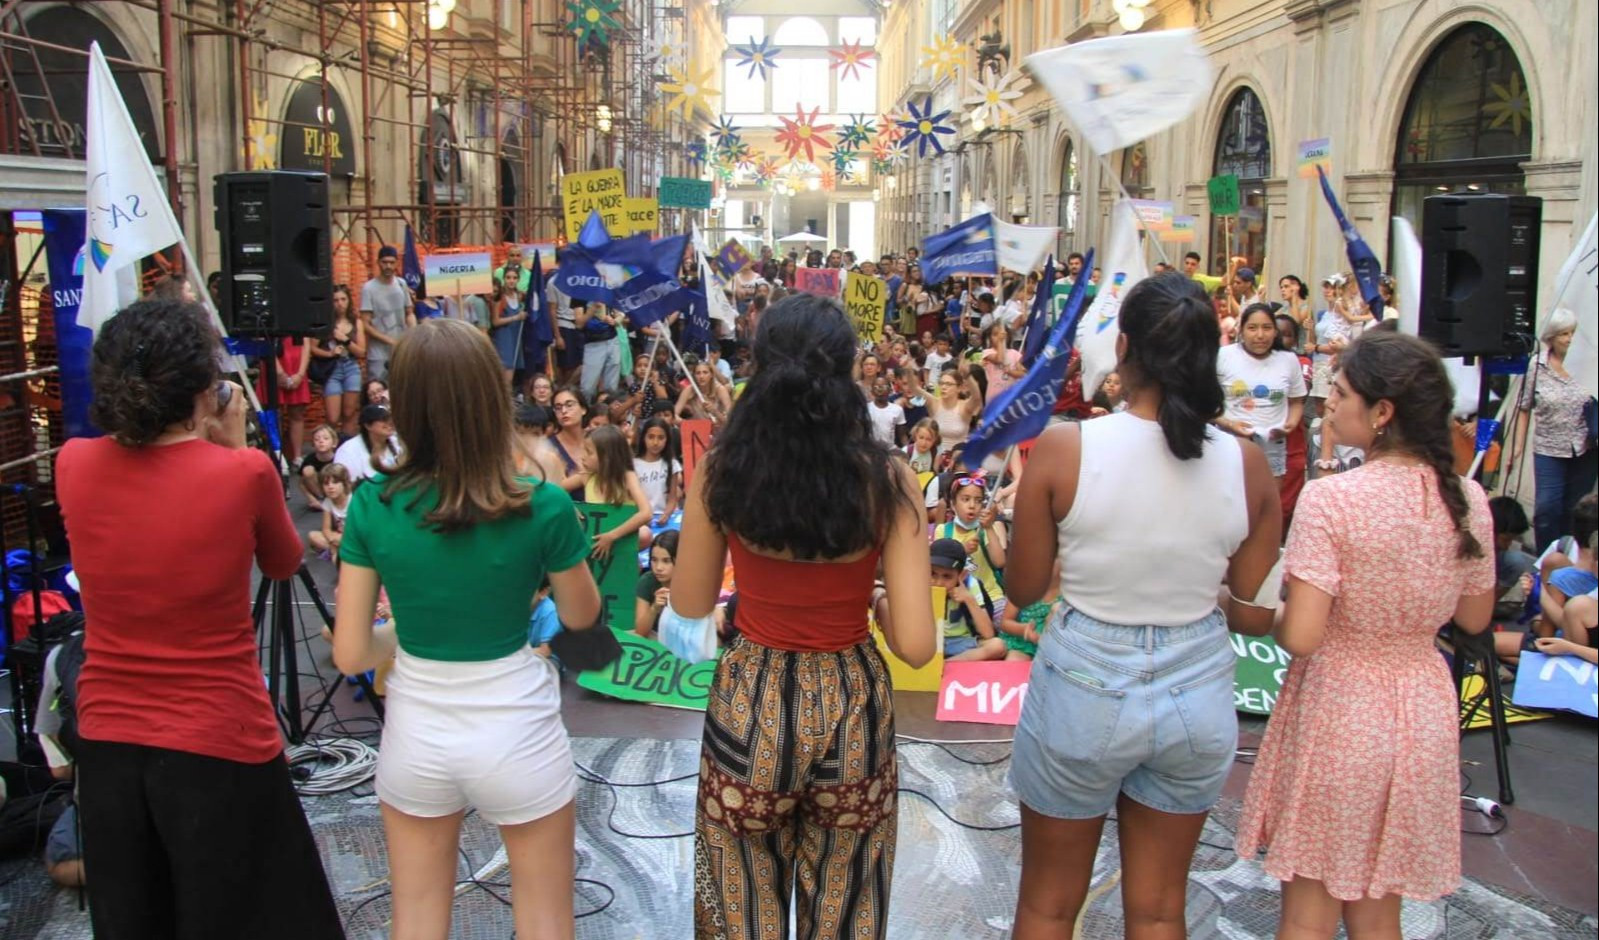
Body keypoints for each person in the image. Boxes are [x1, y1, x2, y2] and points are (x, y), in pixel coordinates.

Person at [1005, 273, 1282, 940]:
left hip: (1083, 681)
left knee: (1047, 904)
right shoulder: (1246, 464)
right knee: (1159, 908)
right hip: (1198, 690)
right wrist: (1198, 586)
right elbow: (1253, 618)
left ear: (1122, 347)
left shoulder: (1066, 448)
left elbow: (1021, 590)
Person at [55, 298, 344, 937]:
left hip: (109, 742)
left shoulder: (71, 465)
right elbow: (282, 561)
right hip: (218, 737)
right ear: (202, 389)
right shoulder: (239, 473)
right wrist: (235, 443)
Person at [673, 293, 934, 940]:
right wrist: (871, 599)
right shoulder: (890, 480)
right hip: (853, 704)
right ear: (846, 372)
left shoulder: (721, 470)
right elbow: (916, 645)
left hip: (750, 700)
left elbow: (687, 605)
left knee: (739, 904)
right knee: (846, 902)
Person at [331, 318, 602, 940]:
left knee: (419, 922)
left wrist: (403, 630)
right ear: (490, 395)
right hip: (518, 730)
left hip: (416, 732)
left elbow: (351, 653)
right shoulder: (543, 503)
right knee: (545, 921)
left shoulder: (373, 503)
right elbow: (584, 619)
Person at [1236, 330, 1496, 938]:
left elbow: (1300, 635)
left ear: (1382, 413)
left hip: (1342, 706)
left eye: (1343, 394)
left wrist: (1250, 614)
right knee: (1381, 907)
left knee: (1309, 908)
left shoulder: (1333, 500)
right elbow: (1476, 619)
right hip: (1423, 706)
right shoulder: (1469, 498)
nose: (1330, 405)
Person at [1519, 308, 1597, 551]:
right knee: (1546, 509)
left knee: (1576, 510)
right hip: (1548, 448)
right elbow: (1524, 406)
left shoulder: (1589, 363)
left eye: (1573, 332)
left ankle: (1568, 560)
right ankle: (1545, 558)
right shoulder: (1537, 365)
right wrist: (1518, 447)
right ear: (1551, 337)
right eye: (1564, 333)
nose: (1570, 338)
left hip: (1585, 448)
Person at [1216, 303, 1307, 484]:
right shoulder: (1223, 356)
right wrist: (1229, 424)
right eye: (1252, 328)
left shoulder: (1288, 360)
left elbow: (1297, 401)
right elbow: (1205, 404)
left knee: (1268, 504)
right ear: (1241, 330)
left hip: (1273, 445)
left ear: (1275, 331)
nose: (1260, 335)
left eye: (1267, 328)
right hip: (1230, 444)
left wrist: (1290, 424)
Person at [580, 425, 655, 555]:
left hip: (620, 538)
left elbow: (646, 513)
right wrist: (571, 508)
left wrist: (612, 536)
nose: (583, 457)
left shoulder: (627, 477)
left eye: (589, 452)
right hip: (593, 540)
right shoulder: (587, 477)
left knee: (644, 533)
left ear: (607, 457)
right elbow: (556, 489)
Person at [930, 537, 1007, 662]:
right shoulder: (921, 584)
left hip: (961, 642)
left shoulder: (971, 584)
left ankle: (946, 664)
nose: (938, 582)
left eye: (947, 576)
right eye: (933, 574)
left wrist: (968, 599)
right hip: (929, 642)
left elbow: (988, 633)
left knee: (998, 646)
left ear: (961, 575)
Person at [308, 283, 366, 437]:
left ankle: (347, 447)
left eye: (343, 299)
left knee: (349, 413)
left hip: (351, 367)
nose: (340, 304)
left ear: (349, 301)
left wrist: (345, 340)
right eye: (336, 300)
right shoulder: (324, 322)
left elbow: (361, 351)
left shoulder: (356, 323)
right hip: (332, 368)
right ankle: (330, 448)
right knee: (333, 417)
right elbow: (312, 348)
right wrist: (330, 353)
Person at [360, 244, 417, 381]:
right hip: (379, 354)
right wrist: (391, 341)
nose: (388, 266)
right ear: (378, 263)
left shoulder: (401, 284)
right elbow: (366, 324)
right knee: (379, 392)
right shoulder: (369, 288)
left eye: (391, 262)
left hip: (402, 351)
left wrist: (413, 335)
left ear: (396, 263)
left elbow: (409, 313)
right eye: (384, 262)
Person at [999, 558, 1060, 662]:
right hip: (1024, 642)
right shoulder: (1024, 589)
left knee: (1058, 607)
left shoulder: (1071, 592)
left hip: (1056, 646)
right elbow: (1005, 622)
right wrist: (1025, 630)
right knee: (1013, 664)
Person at [335, 402, 404, 485]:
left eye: (391, 419)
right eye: (384, 420)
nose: (390, 423)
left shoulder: (398, 443)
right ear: (368, 425)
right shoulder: (348, 451)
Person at [633, 416, 682, 528]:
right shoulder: (633, 464)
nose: (655, 442)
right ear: (643, 438)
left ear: (667, 440)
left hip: (661, 518)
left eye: (661, 438)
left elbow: (672, 498)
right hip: (639, 518)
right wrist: (641, 517)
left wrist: (667, 514)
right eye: (651, 437)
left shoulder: (672, 464)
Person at [634, 529, 680, 637]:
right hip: (656, 636)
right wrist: (654, 608)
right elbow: (640, 632)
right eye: (654, 560)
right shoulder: (647, 581)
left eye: (666, 561)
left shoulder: (691, 582)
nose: (658, 568)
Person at [927, 367, 983, 455]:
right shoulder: (934, 403)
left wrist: (967, 375)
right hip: (934, 454)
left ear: (959, 388)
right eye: (941, 383)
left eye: (948, 384)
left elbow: (976, 397)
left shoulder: (965, 406)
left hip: (958, 455)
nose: (944, 387)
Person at [308, 463, 353, 562]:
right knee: (313, 536)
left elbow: (359, 529)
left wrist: (342, 539)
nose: (330, 487)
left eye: (335, 483)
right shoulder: (328, 502)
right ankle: (337, 551)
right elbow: (326, 528)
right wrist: (331, 539)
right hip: (337, 536)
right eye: (326, 484)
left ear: (344, 483)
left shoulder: (353, 500)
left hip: (353, 537)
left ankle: (342, 551)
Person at [490, 276, 529, 387]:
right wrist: (516, 318)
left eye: (514, 278)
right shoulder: (500, 298)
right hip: (504, 337)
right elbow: (495, 321)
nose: (511, 280)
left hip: (515, 336)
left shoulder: (519, 295)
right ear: (504, 279)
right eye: (508, 278)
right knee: (507, 371)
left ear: (518, 280)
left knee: (515, 372)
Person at [676, 358, 733, 427]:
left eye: (705, 372)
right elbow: (674, 414)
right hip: (698, 430)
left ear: (711, 375)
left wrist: (714, 411)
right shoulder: (689, 389)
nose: (701, 376)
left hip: (718, 430)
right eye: (698, 373)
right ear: (694, 375)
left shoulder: (720, 390)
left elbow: (731, 420)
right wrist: (689, 425)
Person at [299, 423, 339, 510]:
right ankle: (322, 500)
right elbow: (301, 483)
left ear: (334, 443)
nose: (321, 441)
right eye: (317, 439)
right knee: (307, 470)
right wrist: (312, 498)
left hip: (336, 489)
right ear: (313, 443)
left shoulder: (339, 457)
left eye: (326, 438)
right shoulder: (309, 459)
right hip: (319, 491)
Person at [867, 376, 907, 447]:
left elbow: (902, 436)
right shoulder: (866, 408)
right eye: (876, 387)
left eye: (883, 387)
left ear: (890, 390)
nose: (880, 390)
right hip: (870, 450)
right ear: (872, 391)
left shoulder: (897, 409)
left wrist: (907, 451)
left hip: (889, 450)